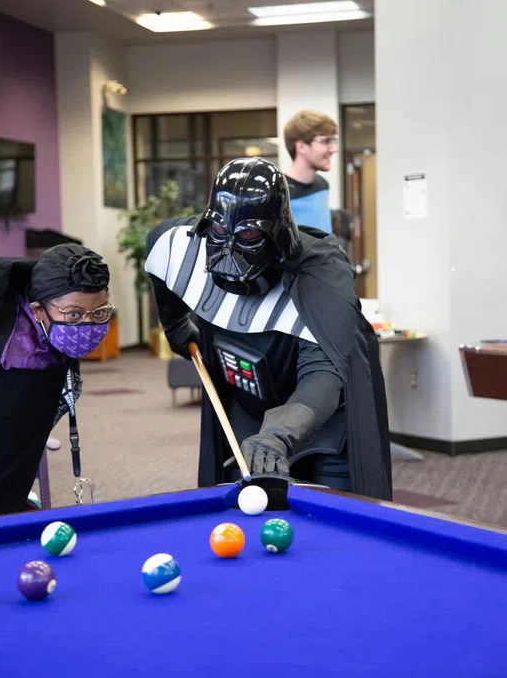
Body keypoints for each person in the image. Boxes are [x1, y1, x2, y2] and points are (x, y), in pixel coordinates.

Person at [146, 157, 392, 501]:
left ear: (276, 231)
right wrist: (174, 323)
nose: (228, 248)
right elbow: (158, 259)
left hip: (321, 424)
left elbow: (325, 373)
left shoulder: (321, 276)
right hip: (247, 411)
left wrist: (279, 434)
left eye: (247, 234)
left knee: (335, 516)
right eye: (218, 230)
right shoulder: (179, 245)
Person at [0, 243, 112, 514]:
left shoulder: (55, 333)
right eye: (73, 314)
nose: (87, 325)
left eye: (99, 312)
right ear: (37, 311)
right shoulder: (15, 362)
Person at [283, 109, 339, 234]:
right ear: (302, 147)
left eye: (333, 141)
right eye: (325, 141)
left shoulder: (322, 184)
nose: (334, 149)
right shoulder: (280, 193)